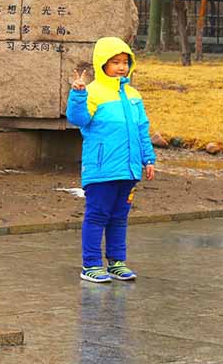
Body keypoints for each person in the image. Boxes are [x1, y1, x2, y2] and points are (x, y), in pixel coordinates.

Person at [67, 37, 156, 283]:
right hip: (102, 169)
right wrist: (78, 94)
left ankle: (117, 262)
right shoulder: (92, 92)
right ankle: (91, 265)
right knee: (97, 215)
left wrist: (148, 158)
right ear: (102, 63)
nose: (121, 67)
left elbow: (142, 129)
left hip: (128, 170)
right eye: (115, 62)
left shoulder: (133, 95)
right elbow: (78, 119)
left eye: (125, 62)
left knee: (119, 217)